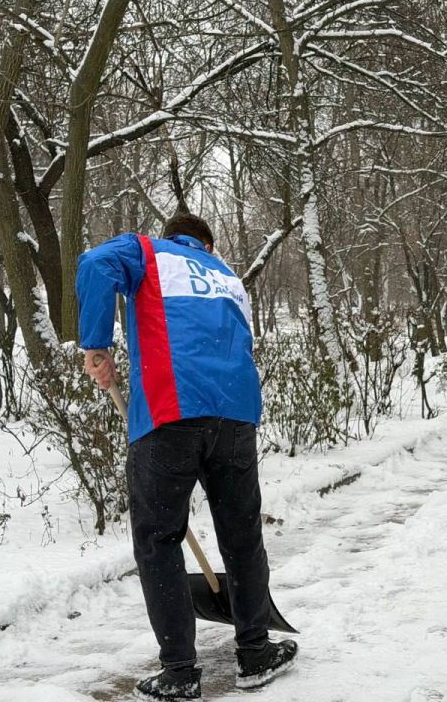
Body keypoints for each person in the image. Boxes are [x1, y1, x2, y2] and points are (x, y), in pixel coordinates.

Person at [76, 212, 296, 701]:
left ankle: (179, 672)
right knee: (242, 536)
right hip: (236, 414)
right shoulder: (228, 278)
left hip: (171, 413)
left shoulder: (148, 251)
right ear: (208, 243)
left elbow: (93, 263)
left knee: (158, 541)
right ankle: (255, 655)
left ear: (172, 235)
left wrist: (97, 346)